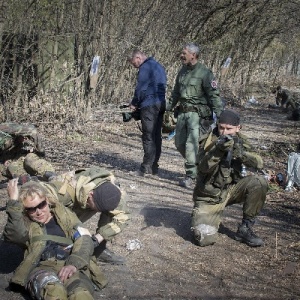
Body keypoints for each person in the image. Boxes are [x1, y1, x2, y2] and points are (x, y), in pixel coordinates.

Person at [3, 166, 131, 265]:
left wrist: (98, 238)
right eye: (96, 207)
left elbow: (123, 218)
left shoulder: (113, 192)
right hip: (65, 201)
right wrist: (15, 201)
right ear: (91, 194)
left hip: (79, 206)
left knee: (110, 214)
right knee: (39, 213)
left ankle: (98, 249)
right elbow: (35, 193)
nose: (97, 211)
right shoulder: (64, 190)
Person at [5, 179, 107, 299]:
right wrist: (13, 202)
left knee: (80, 294)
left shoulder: (64, 215)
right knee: (54, 292)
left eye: (41, 205)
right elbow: (14, 235)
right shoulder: (25, 223)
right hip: (41, 267)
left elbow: (84, 238)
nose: (38, 212)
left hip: (69, 264)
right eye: (31, 209)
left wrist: (73, 264)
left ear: (47, 200)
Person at [192, 109, 268, 247]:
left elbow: (259, 162)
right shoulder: (208, 140)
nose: (224, 132)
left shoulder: (241, 140)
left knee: (259, 182)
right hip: (210, 196)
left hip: (232, 189)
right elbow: (203, 168)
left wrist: (240, 154)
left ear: (238, 128)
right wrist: (218, 151)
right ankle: (208, 217)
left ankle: (245, 228)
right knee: (204, 239)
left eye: (229, 129)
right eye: (221, 127)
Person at [167, 42, 223, 188]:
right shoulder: (182, 71)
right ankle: (201, 166)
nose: (181, 56)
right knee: (179, 143)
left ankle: (191, 176)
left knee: (191, 144)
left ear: (193, 55)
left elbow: (214, 96)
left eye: (184, 53)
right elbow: (176, 93)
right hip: (183, 113)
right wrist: (167, 107)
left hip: (197, 115)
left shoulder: (205, 73)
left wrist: (220, 116)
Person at [128, 49, 167, 176]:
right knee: (157, 136)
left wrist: (134, 103)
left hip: (149, 105)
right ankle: (154, 167)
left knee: (148, 136)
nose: (134, 66)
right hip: (161, 104)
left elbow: (141, 88)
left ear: (138, 57)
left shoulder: (145, 68)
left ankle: (145, 168)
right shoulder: (158, 66)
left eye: (134, 63)